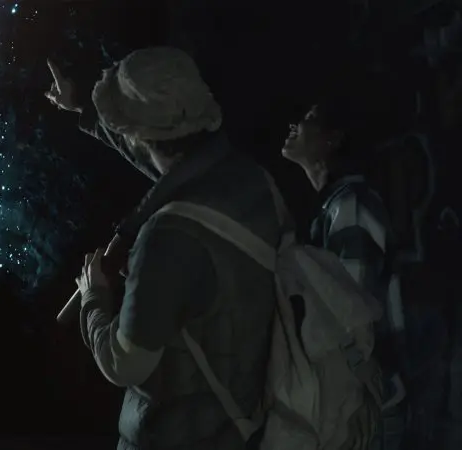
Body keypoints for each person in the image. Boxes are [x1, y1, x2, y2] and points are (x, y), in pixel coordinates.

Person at [46, 47, 281, 449]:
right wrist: (85, 106)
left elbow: (124, 363)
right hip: (244, 421)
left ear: (139, 136)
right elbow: (169, 165)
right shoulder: (252, 181)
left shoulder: (166, 237)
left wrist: (93, 297)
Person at [280, 91, 408, 450]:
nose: (294, 125)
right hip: (359, 402)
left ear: (333, 139)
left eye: (307, 118)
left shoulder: (349, 207)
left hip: (367, 407)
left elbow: (353, 317)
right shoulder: (335, 206)